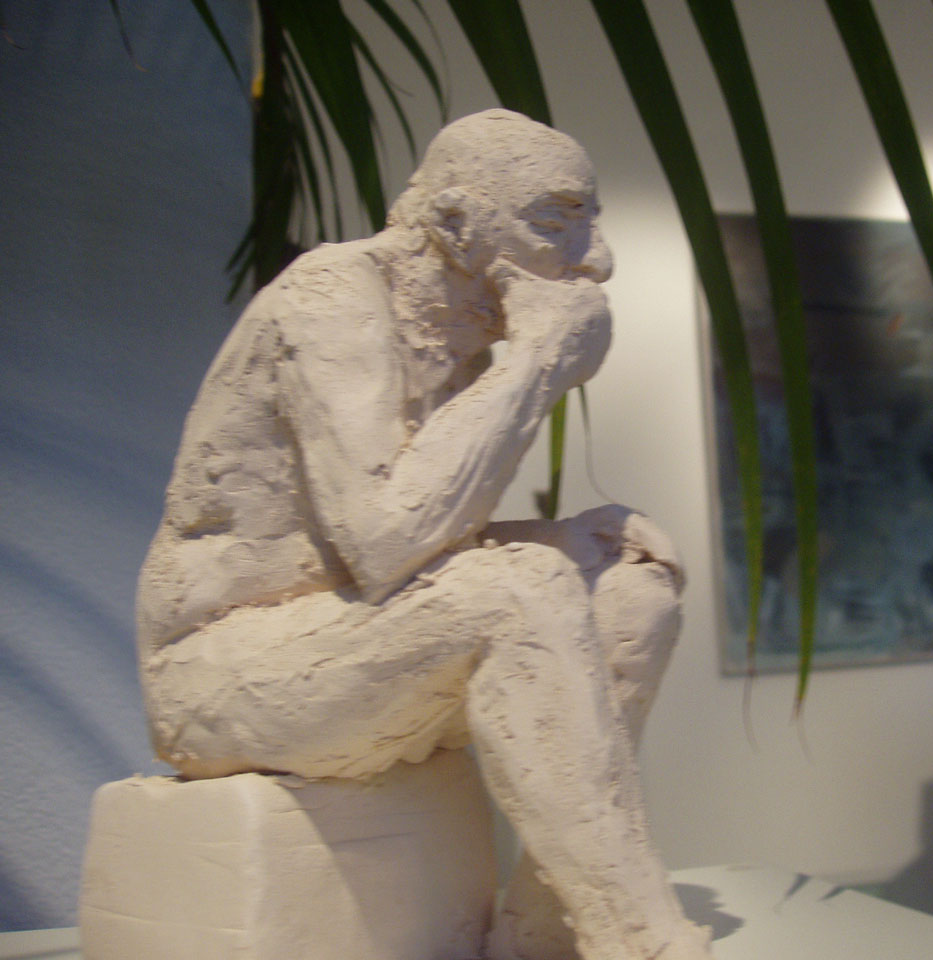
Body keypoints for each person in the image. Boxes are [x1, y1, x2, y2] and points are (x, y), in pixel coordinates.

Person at [134, 109, 710, 960]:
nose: (596, 259)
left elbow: (401, 550)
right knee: (518, 590)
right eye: (557, 220)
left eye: (591, 221)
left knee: (631, 591)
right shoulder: (332, 298)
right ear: (454, 222)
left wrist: (556, 536)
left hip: (338, 625)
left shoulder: (461, 340)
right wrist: (538, 361)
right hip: (218, 669)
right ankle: (641, 939)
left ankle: (541, 934)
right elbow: (383, 543)